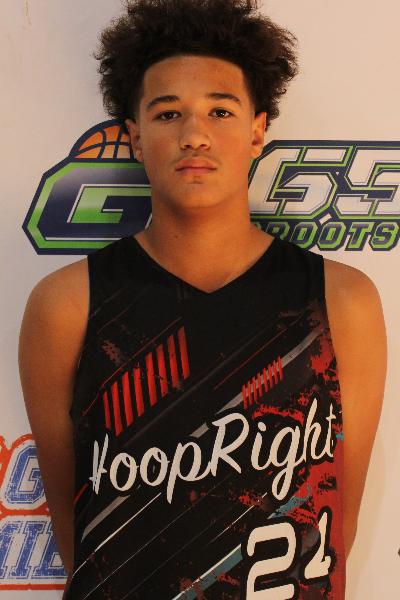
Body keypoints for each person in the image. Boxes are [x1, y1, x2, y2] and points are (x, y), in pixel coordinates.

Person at [19, 0, 386, 598]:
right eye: (168, 113)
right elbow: (77, 531)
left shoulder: (342, 300)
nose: (194, 135)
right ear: (135, 138)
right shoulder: (67, 304)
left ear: (257, 130)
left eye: (220, 110)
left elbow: (334, 521)